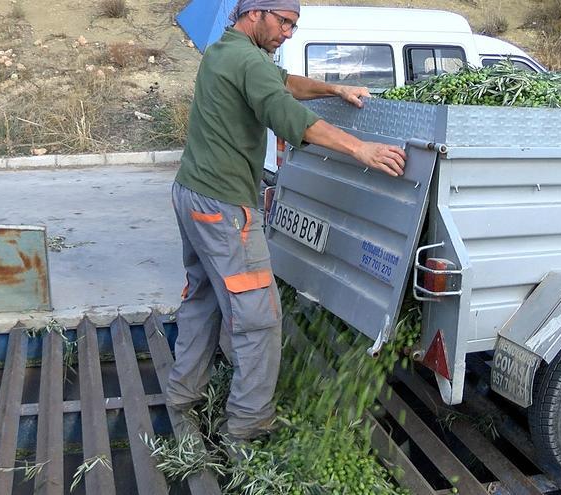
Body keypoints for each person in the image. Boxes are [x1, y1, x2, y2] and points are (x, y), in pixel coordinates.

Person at [166, 0, 407, 447]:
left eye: (294, 26)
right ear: (255, 13)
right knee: (259, 320)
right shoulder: (247, 60)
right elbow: (289, 116)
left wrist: (335, 90)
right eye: (285, 23)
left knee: (203, 300)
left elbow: (285, 84)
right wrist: (362, 149)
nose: (289, 34)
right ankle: (247, 427)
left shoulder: (228, 51)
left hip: (191, 193)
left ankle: (180, 401)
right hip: (224, 207)